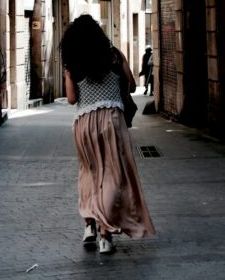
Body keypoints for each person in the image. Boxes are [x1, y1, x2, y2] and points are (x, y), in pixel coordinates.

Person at [60, 14, 155, 254]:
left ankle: (89, 225)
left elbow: (71, 99)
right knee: (112, 176)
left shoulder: (72, 62)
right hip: (112, 121)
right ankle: (105, 234)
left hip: (84, 124)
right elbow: (132, 86)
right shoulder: (114, 55)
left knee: (89, 173)